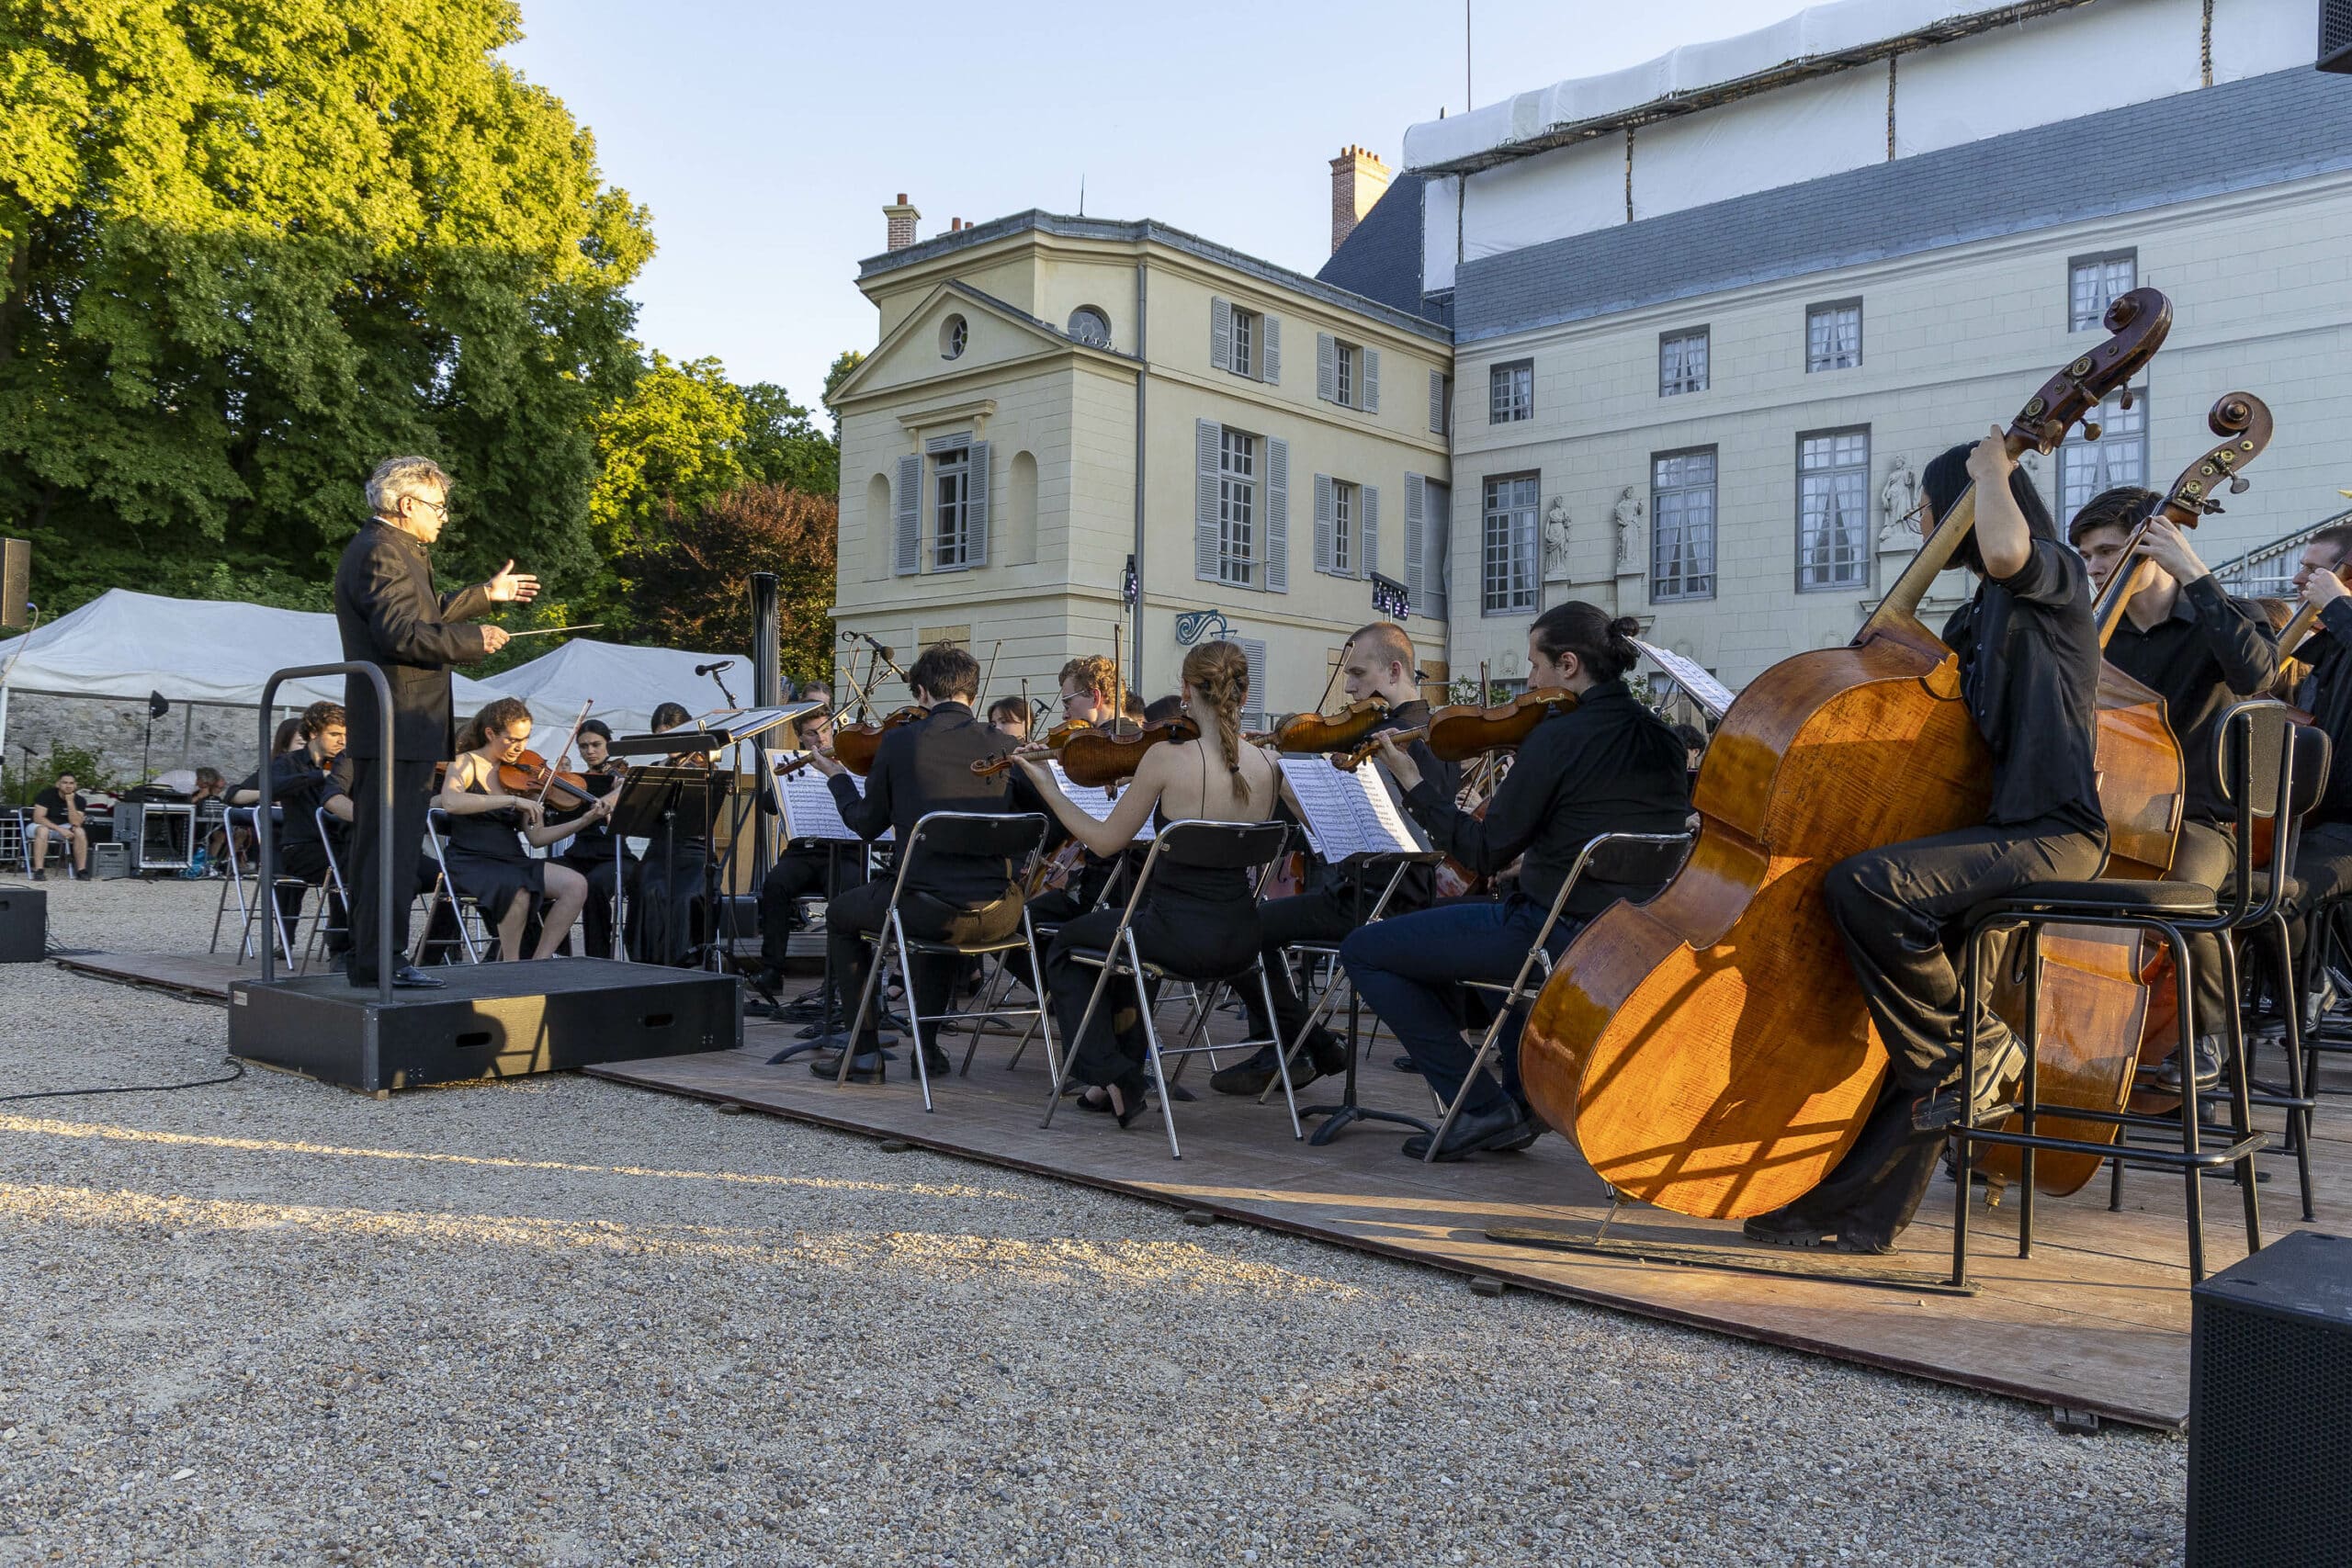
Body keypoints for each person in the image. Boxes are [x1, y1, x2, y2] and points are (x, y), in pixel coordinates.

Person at [1745, 432, 2109, 1255]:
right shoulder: (1975, 615)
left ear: (1968, 504)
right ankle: (1858, 1210)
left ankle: (1979, 1049)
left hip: (2055, 831)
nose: (1920, 523)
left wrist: (1991, 466)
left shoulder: (2055, 572)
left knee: (1865, 885)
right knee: (1929, 1045)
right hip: (1996, 831)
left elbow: (2009, 551)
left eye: (1929, 507)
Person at [1342, 604, 1690, 1159]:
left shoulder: (1557, 737)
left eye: (1535, 665)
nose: (1528, 682)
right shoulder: (1665, 740)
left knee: (1365, 949)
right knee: (1455, 936)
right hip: (1632, 939)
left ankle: (1481, 1107)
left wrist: (1413, 783)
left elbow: (1481, 850)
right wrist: (1539, 863)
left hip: (1552, 935)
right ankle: (1521, 1103)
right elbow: (1616, 838)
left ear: (1568, 665)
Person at [1017, 640, 1279, 1126]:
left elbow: (1103, 843)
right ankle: (1112, 1081)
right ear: (1243, 695)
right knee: (1123, 942)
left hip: (1176, 938)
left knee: (1067, 945)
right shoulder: (1268, 765)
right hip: (1244, 941)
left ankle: (1115, 1074)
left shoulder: (1165, 758)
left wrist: (1049, 788)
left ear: (1186, 691)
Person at [2073, 486, 2279, 1088]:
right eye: (2086, 555)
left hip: (2199, 817)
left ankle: (2205, 1039)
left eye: (2107, 550)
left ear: (2154, 545)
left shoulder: (2225, 615)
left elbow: (2257, 674)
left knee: (2183, 893)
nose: (2094, 567)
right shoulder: (2094, 632)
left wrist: (2194, 573)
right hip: (2103, 811)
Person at [1211, 622, 1459, 1097]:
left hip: (1373, 897)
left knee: (1236, 930)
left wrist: (1282, 778)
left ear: (1394, 671)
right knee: (1253, 926)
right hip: (1406, 896)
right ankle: (1296, 1044)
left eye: (1358, 674)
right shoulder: (1439, 733)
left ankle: (1300, 1045)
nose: (1348, 688)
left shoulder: (1389, 740)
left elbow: (1357, 831)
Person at [334, 456, 537, 989]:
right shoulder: (381, 551)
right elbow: (400, 633)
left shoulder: (396, 549)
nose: (444, 517)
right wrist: (474, 640)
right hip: (396, 719)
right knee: (389, 850)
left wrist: (484, 597)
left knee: (395, 848)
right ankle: (379, 963)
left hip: (404, 722)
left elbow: (421, 616)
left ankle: (380, 960)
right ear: (407, 504)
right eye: (438, 506)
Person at [807, 642, 1027, 1081]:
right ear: (972, 693)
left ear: (922, 692)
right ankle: (925, 1050)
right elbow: (1038, 824)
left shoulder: (901, 742)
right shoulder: (1007, 746)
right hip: (1000, 912)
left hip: (929, 910)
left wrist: (838, 779)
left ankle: (864, 1053)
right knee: (933, 904)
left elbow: (865, 825)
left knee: (842, 915)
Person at [435, 698, 607, 963]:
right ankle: (512, 964)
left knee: (576, 884)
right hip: (471, 860)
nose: (520, 747)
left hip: (512, 859)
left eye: (525, 739)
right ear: (490, 733)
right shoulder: (467, 762)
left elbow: (537, 837)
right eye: (513, 739)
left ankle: (539, 961)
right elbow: (451, 802)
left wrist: (584, 820)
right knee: (518, 890)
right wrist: (512, 800)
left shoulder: (522, 777)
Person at [2280, 524, 2352, 1012]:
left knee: (2274, 895)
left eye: (2312, 569)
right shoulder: (2333, 643)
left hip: (2345, 828)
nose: (2298, 578)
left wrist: (2339, 607)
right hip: (2314, 821)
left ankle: (2310, 987)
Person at [628, 701, 716, 965]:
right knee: (646, 888)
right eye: (661, 738)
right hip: (659, 850)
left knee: (685, 896)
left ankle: (684, 962)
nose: (668, 744)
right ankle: (647, 962)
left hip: (694, 852)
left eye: (673, 736)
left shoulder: (704, 766)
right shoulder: (656, 768)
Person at [267, 702, 356, 959]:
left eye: (345, 735)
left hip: (338, 844)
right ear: (314, 732)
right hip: (302, 848)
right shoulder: (288, 762)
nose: (342, 741)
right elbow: (272, 787)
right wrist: (319, 777)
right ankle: (340, 946)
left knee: (361, 864)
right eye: (335, 734)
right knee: (347, 870)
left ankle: (362, 941)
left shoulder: (342, 766)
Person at [549, 718, 630, 960]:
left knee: (594, 886)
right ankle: (558, 953)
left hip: (614, 856)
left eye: (596, 745)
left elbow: (629, 826)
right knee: (538, 874)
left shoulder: (621, 776)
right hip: (580, 853)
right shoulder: (577, 781)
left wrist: (619, 795)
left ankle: (598, 959)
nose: (590, 751)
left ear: (609, 744)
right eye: (584, 746)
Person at [28, 771, 89, 881]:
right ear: (58, 784)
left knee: (80, 832)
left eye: (71, 783)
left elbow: (76, 823)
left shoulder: (79, 800)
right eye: (65, 783)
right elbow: (38, 818)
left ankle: (81, 871)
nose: (68, 786)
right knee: (43, 831)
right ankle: (39, 870)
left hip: (63, 827)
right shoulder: (46, 795)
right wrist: (59, 829)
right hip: (39, 826)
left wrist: (70, 802)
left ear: (75, 785)